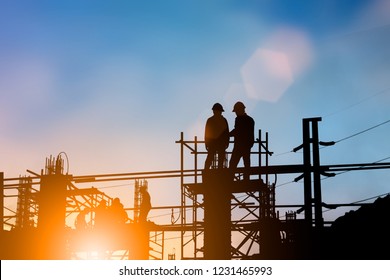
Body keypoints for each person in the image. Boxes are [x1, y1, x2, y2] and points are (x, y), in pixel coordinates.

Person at [229, 101, 255, 179]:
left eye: (236, 111)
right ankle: (246, 179)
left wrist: (228, 135)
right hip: (246, 145)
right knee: (246, 163)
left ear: (240, 110)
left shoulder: (240, 120)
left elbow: (237, 131)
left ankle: (230, 180)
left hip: (240, 146)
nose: (236, 113)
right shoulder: (250, 120)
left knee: (233, 164)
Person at [204, 103, 230, 169]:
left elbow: (207, 133)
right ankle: (218, 172)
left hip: (214, 143)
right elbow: (227, 132)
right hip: (218, 143)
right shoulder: (223, 120)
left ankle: (206, 171)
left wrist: (206, 143)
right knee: (218, 159)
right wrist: (227, 142)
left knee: (211, 158)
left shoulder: (210, 120)